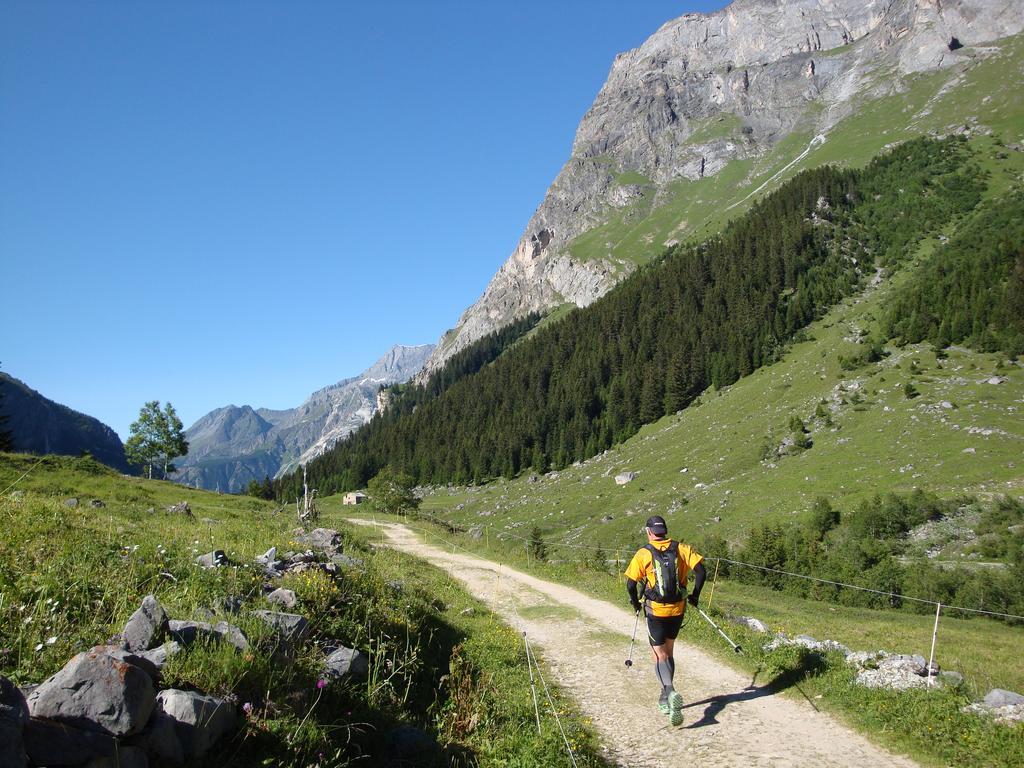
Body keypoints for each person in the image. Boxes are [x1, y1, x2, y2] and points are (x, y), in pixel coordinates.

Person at [624, 514, 705, 726]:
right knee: (669, 651)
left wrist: (635, 604)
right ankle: (664, 695)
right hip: (677, 609)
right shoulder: (681, 548)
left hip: (656, 611)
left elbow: (631, 585)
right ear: (665, 531)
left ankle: (669, 691)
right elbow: (701, 572)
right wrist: (694, 596)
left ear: (649, 532)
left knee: (658, 655)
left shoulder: (644, 553)